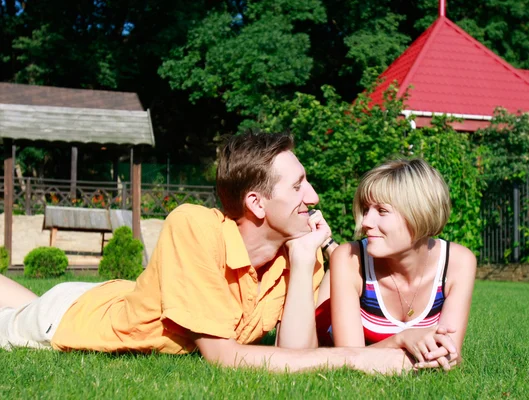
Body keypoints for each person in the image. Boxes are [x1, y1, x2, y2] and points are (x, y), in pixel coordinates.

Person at [0, 132, 432, 374]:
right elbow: (223, 356)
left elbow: (294, 355)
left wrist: (302, 263)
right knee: (16, 318)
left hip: (111, 293)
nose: (314, 196)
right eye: (299, 185)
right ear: (257, 204)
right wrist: (355, 359)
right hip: (67, 319)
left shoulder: (297, 251)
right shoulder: (193, 225)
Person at [323, 159, 477, 370]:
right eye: (366, 209)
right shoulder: (349, 259)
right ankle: (324, 246)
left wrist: (442, 355)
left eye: (382, 211)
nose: (366, 222)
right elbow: (348, 357)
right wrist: (401, 339)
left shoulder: (458, 262)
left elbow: (449, 354)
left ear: (419, 212)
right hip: (322, 320)